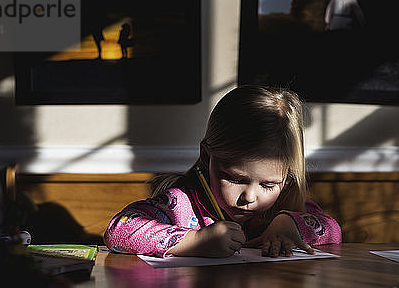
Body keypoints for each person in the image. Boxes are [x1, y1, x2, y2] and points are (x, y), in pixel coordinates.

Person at [103, 85, 341, 258]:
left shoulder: (284, 204)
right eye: (236, 179)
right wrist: (194, 241)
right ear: (208, 157)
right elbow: (119, 229)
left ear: (287, 178)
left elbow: (332, 230)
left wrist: (289, 224)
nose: (250, 197)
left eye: (268, 185)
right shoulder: (181, 202)